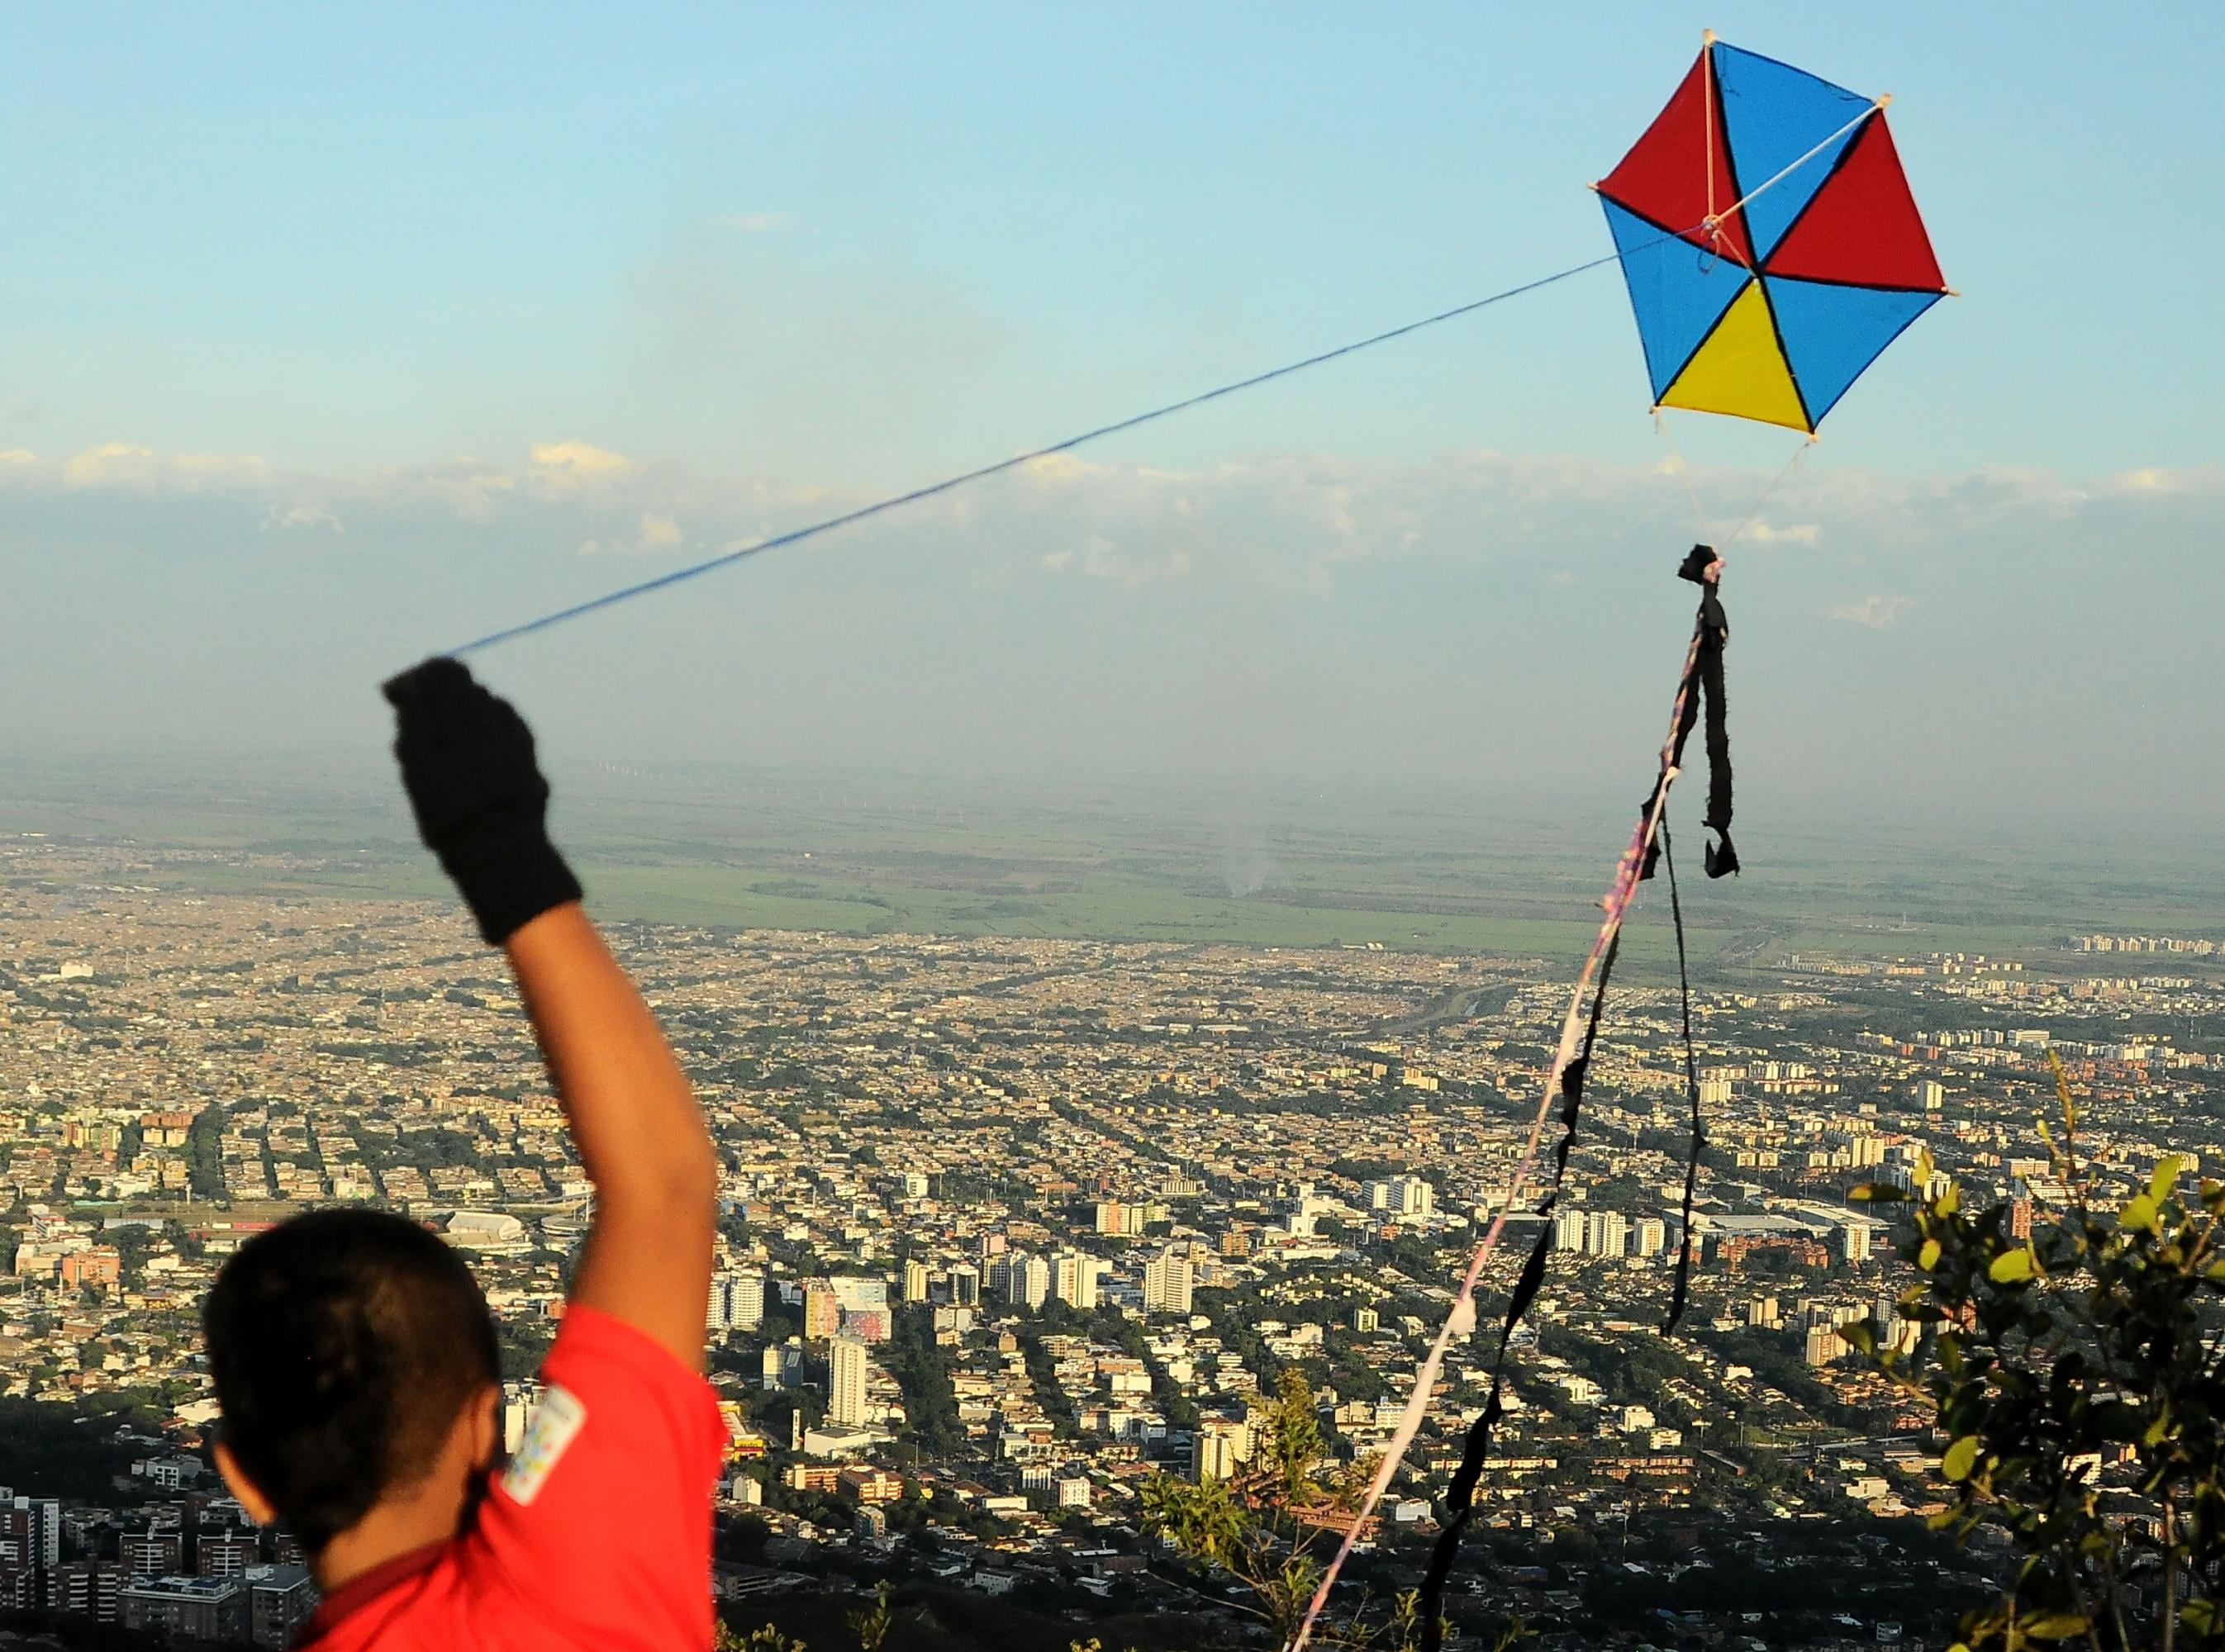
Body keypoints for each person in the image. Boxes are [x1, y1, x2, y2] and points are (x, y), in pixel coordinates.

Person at [201, 658, 725, 1649]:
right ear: (487, 1429)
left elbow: (665, 1189)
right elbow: (661, 1183)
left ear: (243, 1476)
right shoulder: (564, 1598)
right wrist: (496, 845)